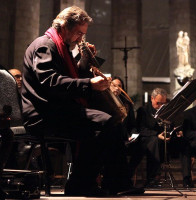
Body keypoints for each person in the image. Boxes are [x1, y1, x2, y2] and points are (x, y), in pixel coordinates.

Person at [21, 6, 143, 197]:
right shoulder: (44, 45)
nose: (80, 38)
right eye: (79, 33)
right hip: (43, 114)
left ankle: (117, 182)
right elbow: (50, 81)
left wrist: (85, 58)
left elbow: (72, 75)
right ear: (64, 26)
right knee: (104, 123)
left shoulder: (60, 47)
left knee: (111, 121)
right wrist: (90, 83)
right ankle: (80, 184)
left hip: (58, 110)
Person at [128, 88, 168, 187]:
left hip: (160, 141)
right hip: (146, 138)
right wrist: (156, 134)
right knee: (153, 142)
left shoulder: (165, 111)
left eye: (163, 104)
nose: (160, 106)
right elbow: (140, 129)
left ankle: (153, 177)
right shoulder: (143, 110)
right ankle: (153, 177)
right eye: (158, 103)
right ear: (152, 98)